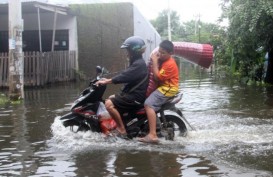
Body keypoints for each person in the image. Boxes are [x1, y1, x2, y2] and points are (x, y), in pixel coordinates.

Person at [95, 36, 148, 138]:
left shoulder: (138, 64)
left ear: (134, 50)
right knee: (111, 97)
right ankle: (124, 122)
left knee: (109, 104)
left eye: (127, 50)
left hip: (136, 97)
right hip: (133, 93)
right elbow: (126, 74)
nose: (126, 53)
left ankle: (121, 129)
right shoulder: (137, 62)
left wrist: (108, 81)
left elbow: (125, 76)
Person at [138, 40, 179, 143]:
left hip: (168, 89)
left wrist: (155, 61)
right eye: (159, 51)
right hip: (164, 87)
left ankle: (152, 135)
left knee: (148, 104)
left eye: (163, 53)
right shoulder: (164, 60)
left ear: (171, 53)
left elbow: (157, 77)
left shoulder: (169, 64)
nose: (160, 54)